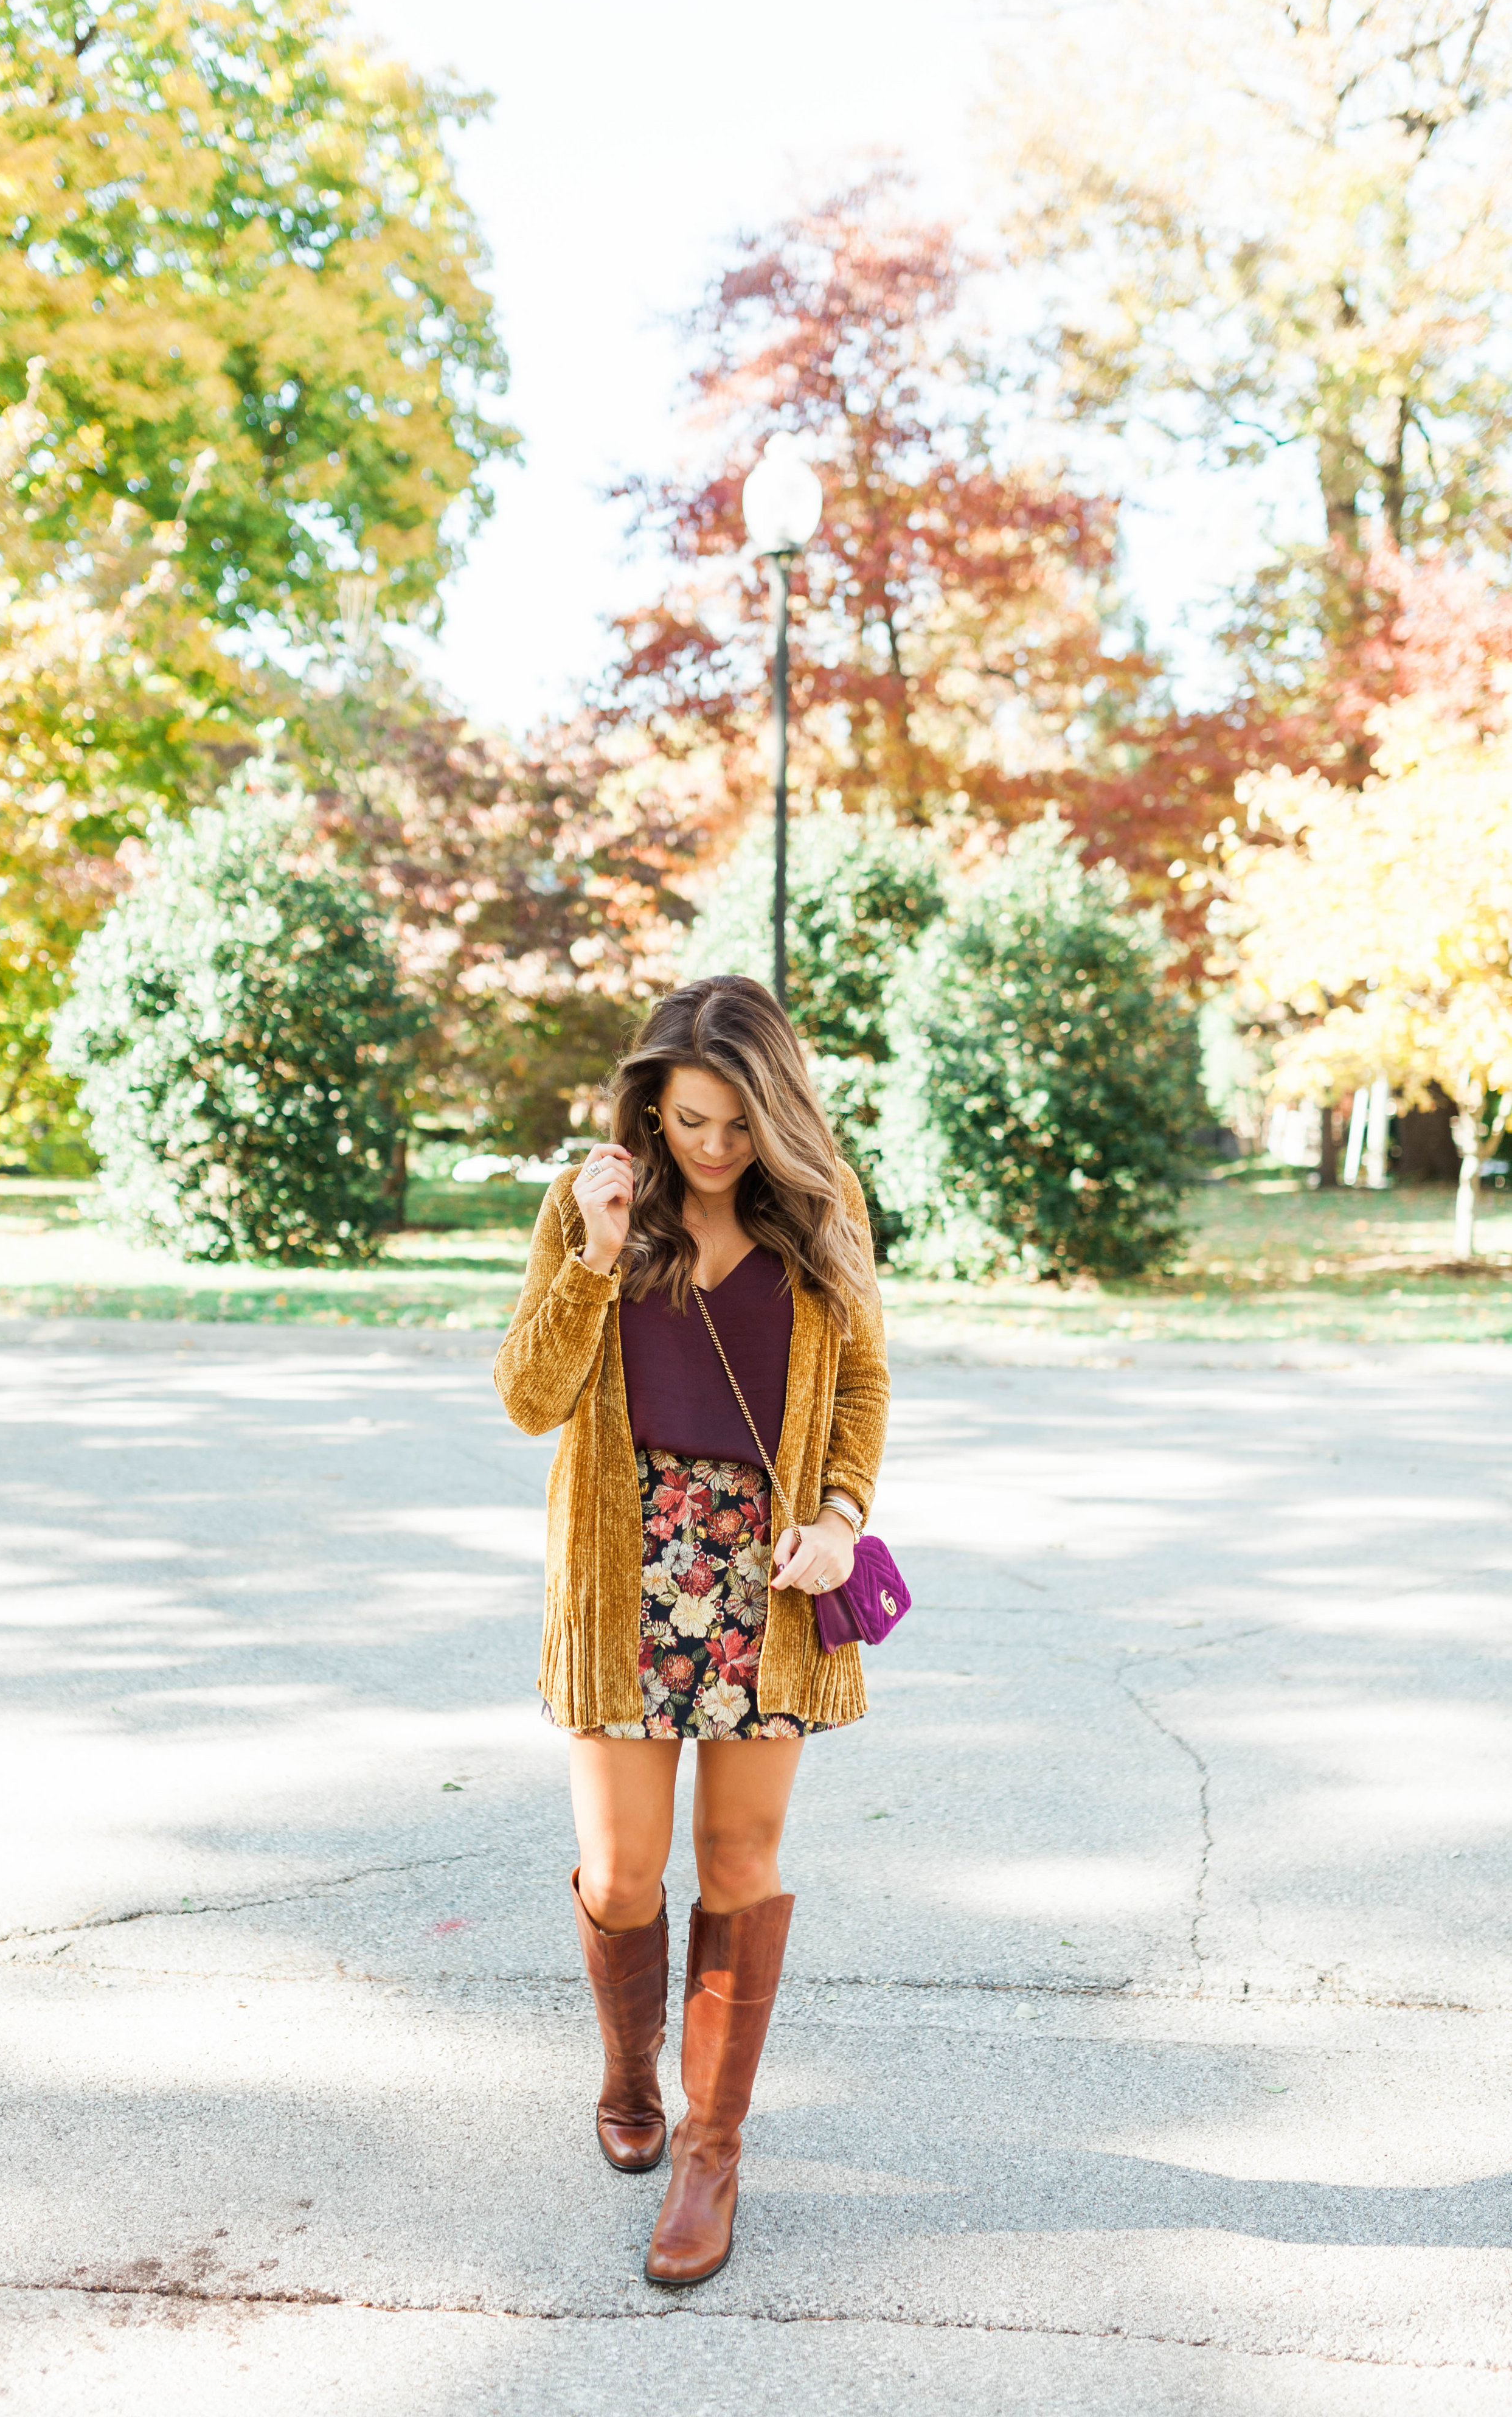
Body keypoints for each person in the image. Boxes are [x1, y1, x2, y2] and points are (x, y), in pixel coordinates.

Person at [494, 974, 890, 2287]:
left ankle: (710, 2152)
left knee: (739, 1858)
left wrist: (837, 1515)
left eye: (735, 1123)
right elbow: (527, 1396)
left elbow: (861, 1385)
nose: (711, 1148)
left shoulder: (820, 1220)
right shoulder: (592, 1205)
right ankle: (627, 2069)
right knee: (619, 1874)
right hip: (626, 1571)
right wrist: (599, 1252)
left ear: (774, 1113)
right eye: (687, 1120)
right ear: (649, 1107)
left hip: (764, 1587)